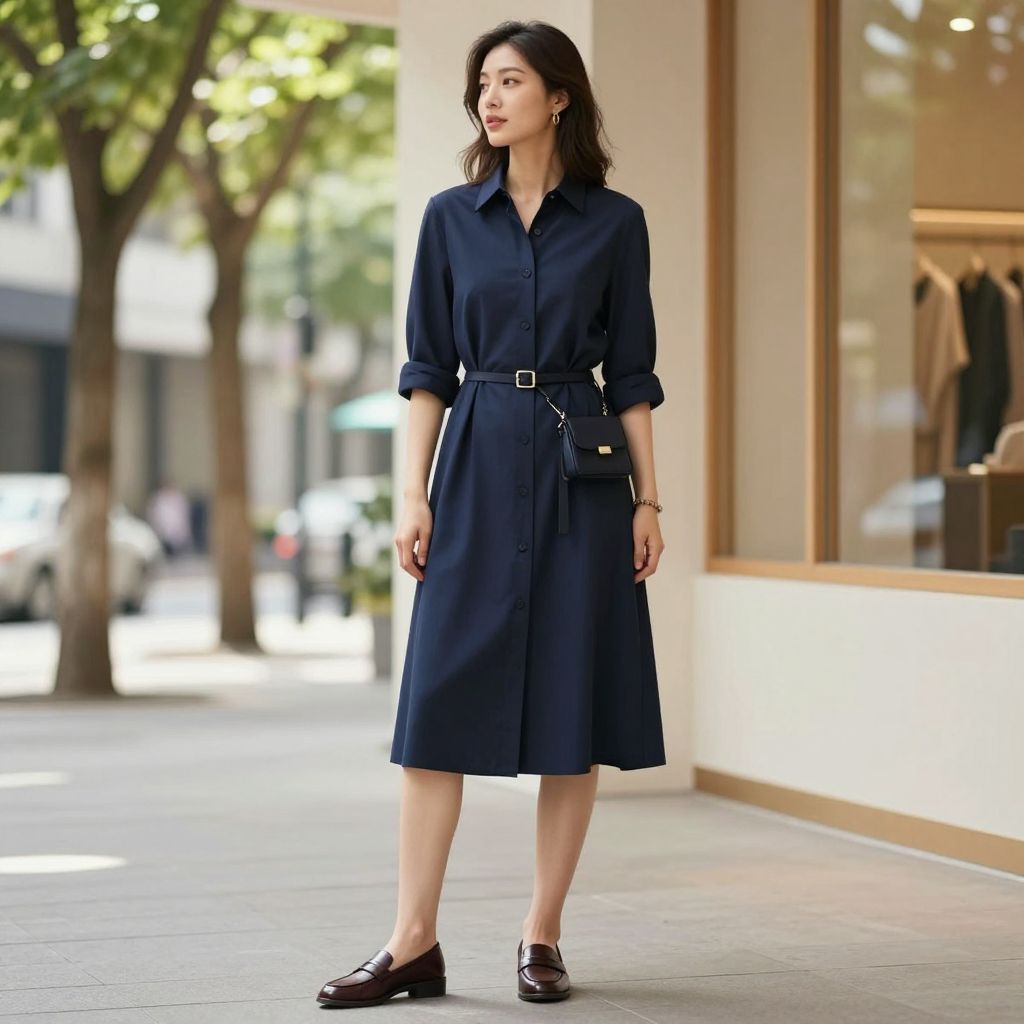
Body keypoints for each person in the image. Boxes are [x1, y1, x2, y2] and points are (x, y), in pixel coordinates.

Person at [317, 18, 667, 1010]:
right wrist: (415, 490)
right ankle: (411, 941)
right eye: (482, 81)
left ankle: (541, 933)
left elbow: (633, 373)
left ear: (559, 96)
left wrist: (650, 497)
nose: (490, 95)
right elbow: (427, 369)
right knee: (435, 709)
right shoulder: (447, 219)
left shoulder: (615, 221)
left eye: (510, 79)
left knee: (572, 706)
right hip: (473, 460)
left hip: (579, 470)